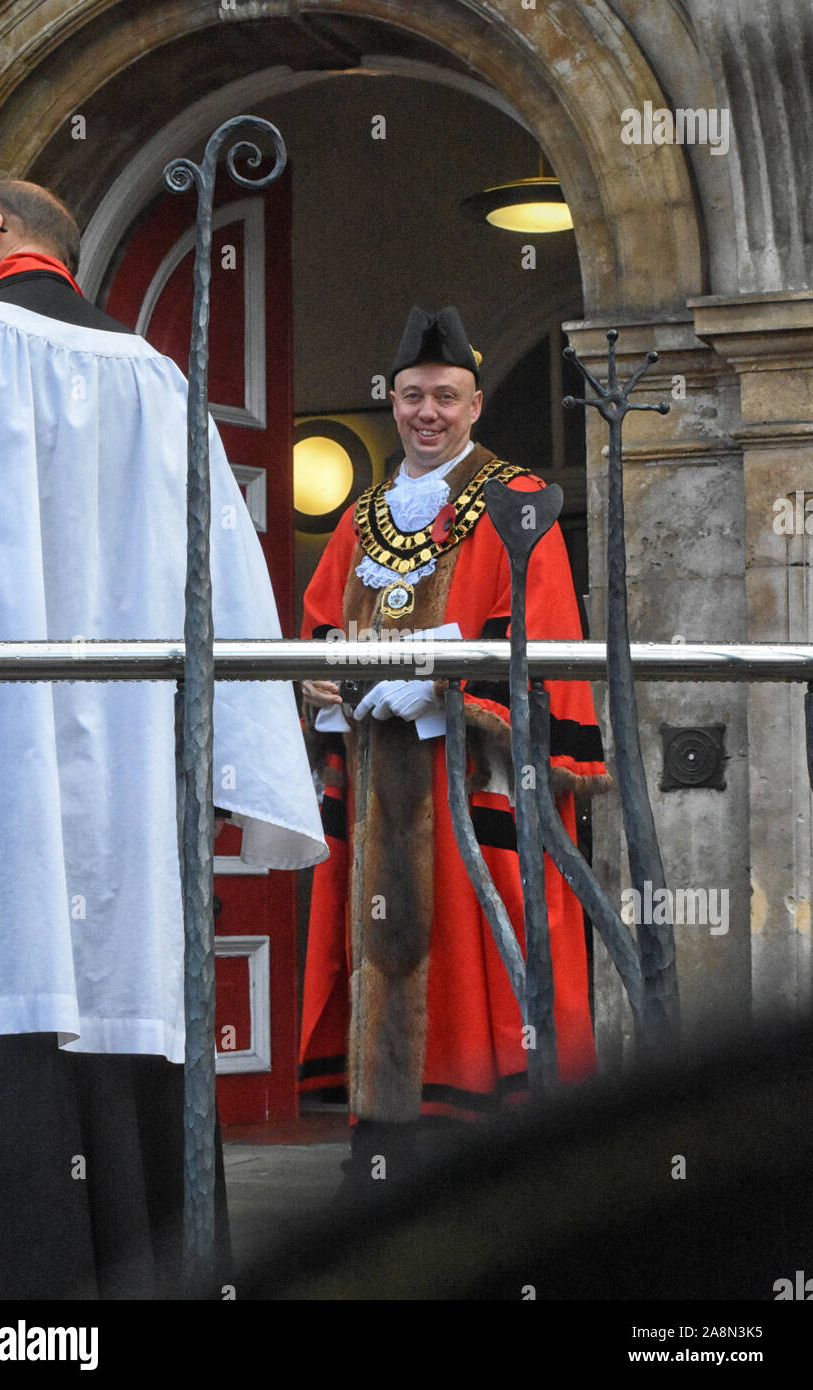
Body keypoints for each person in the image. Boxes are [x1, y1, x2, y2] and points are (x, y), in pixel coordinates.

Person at [0, 180, 327, 1297]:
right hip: (122, 789)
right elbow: (229, 600)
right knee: (110, 997)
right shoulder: (163, 385)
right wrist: (248, 774)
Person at [299, 305, 609, 1187]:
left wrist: (447, 687)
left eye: (444, 396)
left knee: (485, 974)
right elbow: (321, 626)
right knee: (386, 963)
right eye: (409, 397)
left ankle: (493, 1163)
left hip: (473, 788)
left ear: (475, 406)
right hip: (375, 780)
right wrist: (323, 677)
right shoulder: (361, 516)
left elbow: (542, 647)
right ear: (390, 403)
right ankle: (390, 1156)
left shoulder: (520, 508)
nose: (425, 413)